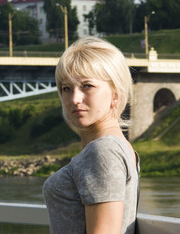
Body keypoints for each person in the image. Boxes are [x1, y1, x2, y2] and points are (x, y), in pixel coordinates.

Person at [42, 36, 140, 234]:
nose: (74, 98)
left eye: (87, 86)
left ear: (116, 95)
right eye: (66, 88)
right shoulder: (118, 146)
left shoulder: (104, 150)